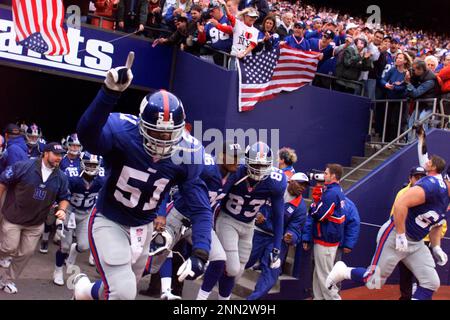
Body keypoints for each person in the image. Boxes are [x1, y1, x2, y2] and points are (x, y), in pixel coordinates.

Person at [72, 52, 212, 300]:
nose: (163, 141)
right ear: (141, 125)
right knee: (124, 292)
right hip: (110, 218)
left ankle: (83, 290)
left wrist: (201, 252)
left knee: (121, 288)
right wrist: (108, 93)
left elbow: (200, 207)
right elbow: (87, 136)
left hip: (145, 226)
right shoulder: (123, 132)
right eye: (156, 133)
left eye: (170, 135)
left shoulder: (188, 153)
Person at [326, 155, 450, 300]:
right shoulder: (433, 186)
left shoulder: (447, 198)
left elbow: (437, 224)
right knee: (373, 281)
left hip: (416, 242)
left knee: (431, 283)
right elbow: (400, 204)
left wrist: (436, 247)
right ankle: (343, 271)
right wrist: (400, 234)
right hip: (395, 234)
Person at [147, 142, 242, 300]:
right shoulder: (206, 167)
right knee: (152, 261)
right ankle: (116, 286)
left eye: (239, 158)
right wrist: (161, 212)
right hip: (178, 215)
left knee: (219, 258)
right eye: (233, 157)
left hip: (199, 222)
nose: (236, 161)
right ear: (221, 156)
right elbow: (166, 182)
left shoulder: (236, 175)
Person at [199, 141, 287, 300]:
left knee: (238, 271)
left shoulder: (275, 181)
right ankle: (202, 295)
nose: (259, 169)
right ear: (246, 161)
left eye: (263, 165)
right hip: (228, 220)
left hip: (249, 226)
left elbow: (278, 215)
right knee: (231, 267)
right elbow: (218, 196)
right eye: (255, 164)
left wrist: (276, 246)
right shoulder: (236, 172)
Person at [0, 142, 69, 294]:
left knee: (26, 253)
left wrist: (62, 210)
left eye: (61, 155)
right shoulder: (24, 166)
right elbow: (3, 181)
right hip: (13, 217)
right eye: (56, 154)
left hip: (35, 223)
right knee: (8, 247)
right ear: (45, 153)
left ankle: (7, 280)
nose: (59, 158)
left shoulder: (61, 177)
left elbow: (64, 197)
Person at [245, 172, 308, 300]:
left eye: (305, 186)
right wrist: (256, 213)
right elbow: (257, 201)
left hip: (277, 241)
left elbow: (295, 229)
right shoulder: (276, 187)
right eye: (300, 184)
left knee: (271, 275)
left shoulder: (300, 207)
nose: (302, 188)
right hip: (258, 232)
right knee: (244, 261)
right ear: (290, 181)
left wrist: (292, 236)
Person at [53, 152, 106, 286]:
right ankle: (58, 270)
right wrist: (59, 218)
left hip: (87, 213)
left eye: (94, 165)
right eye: (88, 164)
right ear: (81, 163)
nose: (91, 168)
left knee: (83, 246)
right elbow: (60, 196)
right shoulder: (72, 176)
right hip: (70, 211)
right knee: (65, 245)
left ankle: (72, 254)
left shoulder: (102, 178)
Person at [302, 163, 346, 300]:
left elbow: (319, 214)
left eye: (326, 173)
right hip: (326, 238)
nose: (323, 175)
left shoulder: (332, 193)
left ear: (333, 176)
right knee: (318, 274)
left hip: (326, 240)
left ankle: (334, 299)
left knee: (325, 275)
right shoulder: (333, 190)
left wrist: (313, 207)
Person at [404, 60, 440, 139]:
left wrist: (408, 83)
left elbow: (416, 93)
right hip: (420, 104)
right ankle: (410, 145)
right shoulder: (417, 76)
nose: (412, 71)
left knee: (422, 122)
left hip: (429, 105)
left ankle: (424, 146)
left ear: (420, 70)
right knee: (411, 123)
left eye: (414, 70)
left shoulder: (430, 79)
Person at [335, 197, 360, 264]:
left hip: (337, 245)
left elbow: (353, 225)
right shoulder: (321, 199)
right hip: (318, 241)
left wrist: (348, 244)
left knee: (333, 269)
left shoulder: (348, 204)